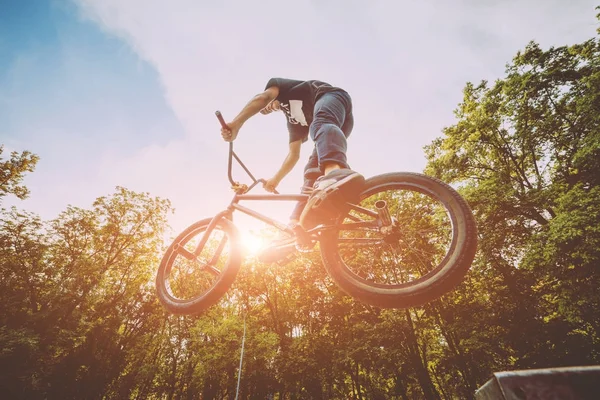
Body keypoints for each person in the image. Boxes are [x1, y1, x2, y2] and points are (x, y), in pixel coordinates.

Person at [221, 78, 365, 261]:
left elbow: (262, 98)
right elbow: (293, 154)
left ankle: (334, 174)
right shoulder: (294, 122)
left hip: (332, 98)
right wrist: (275, 180)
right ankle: (295, 228)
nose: (267, 108)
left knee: (319, 123)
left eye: (268, 106)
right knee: (312, 171)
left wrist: (236, 124)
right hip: (334, 127)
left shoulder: (279, 87)